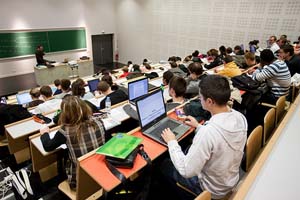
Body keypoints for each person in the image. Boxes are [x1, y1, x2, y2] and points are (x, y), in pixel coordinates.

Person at [160, 75, 247, 199]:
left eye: (200, 97)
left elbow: (186, 170)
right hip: (229, 179)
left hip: (211, 190)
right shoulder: (240, 117)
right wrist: (198, 126)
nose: (199, 100)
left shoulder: (208, 133)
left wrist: (172, 141)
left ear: (209, 102)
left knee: (164, 166)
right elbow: (219, 139)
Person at [40, 95, 108, 189]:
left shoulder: (65, 130)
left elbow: (48, 146)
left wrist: (44, 134)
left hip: (80, 180)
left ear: (64, 113)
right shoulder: (98, 121)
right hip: (102, 169)